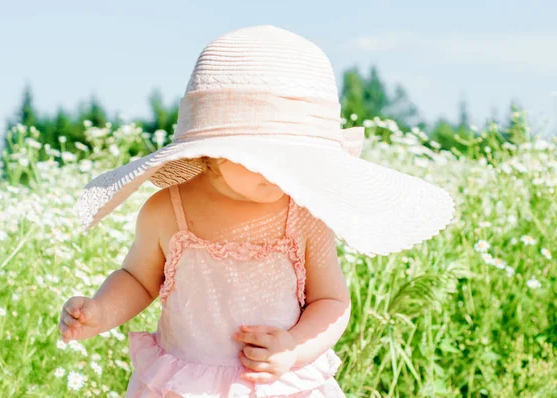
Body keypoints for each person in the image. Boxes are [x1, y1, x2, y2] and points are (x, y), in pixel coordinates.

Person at [59, 25, 455, 397]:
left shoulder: (304, 216)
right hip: (185, 384)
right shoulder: (168, 209)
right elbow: (139, 280)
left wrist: (294, 349)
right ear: (216, 151)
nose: (281, 171)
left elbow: (332, 302)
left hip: (278, 384)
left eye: (296, 158)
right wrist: (101, 311)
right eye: (265, 157)